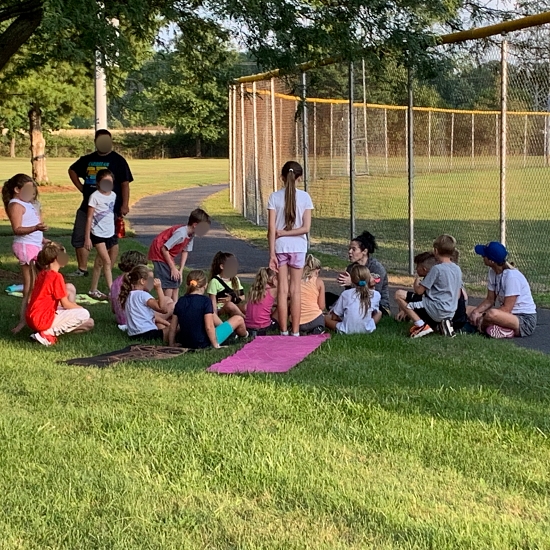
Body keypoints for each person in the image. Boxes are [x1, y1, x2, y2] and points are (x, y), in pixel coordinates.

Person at [68, 129, 133, 277]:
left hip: (110, 208)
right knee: (80, 236)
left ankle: (107, 269)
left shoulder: (118, 161)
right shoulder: (87, 159)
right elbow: (72, 170)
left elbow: (125, 183)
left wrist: (125, 204)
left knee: (111, 239)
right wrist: (82, 188)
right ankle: (82, 269)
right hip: (88, 206)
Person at [268, 161, 314, 336]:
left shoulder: (274, 197)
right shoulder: (305, 197)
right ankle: (295, 331)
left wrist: (272, 253)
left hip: (280, 247)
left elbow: (271, 229)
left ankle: (283, 330)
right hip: (298, 248)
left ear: (282, 177)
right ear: (299, 178)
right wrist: (288, 232)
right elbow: (305, 228)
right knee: (296, 290)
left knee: (282, 289)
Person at [2, 174, 48, 333]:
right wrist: (36, 228)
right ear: (17, 189)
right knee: (30, 286)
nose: (31, 194)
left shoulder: (27, 204)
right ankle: (23, 321)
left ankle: (35, 316)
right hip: (26, 248)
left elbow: (31, 225)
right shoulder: (15, 205)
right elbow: (17, 229)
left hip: (34, 245)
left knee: (38, 284)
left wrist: (43, 239)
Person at [395, 234, 463, 338]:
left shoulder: (437, 269)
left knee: (399, 294)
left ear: (436, 251)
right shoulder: (457, 269)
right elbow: (457, 294)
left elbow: (419, 291)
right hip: (450, 311)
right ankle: (444, 324)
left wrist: (416, 282)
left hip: (436, 309)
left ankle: (421, 326)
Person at [26, 243, 94, 346]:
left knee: (88, 321)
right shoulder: (56, 277)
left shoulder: (43, 274)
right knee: (84, 314)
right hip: (41, 319)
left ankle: (43, 332)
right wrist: (80, 308)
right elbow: (65, 304)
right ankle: (46, 333)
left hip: (33, 318)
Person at [468, 242, 537, 338]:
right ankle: (498, 328)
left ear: (491, 261)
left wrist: (482, 316)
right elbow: (490, 300)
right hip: (506, 315)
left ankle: (493, 327)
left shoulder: (512, 277)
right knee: (468, 310)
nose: (482, 257)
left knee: (491, 314)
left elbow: (507, 309)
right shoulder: (492, 272)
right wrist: (475, 312)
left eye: (484, 255)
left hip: (523, 320)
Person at [168, 270, 248, 349]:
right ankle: (246, 335)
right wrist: (215, 345)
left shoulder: (181, 301)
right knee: (238, 319)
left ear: (187, 285)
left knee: (210, 313)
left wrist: (172, 344)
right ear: (205, 285)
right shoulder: (205, 301)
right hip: (204, 342)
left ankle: (231, 334)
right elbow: (209, 327)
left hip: (186, 342)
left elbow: (173, 327)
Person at [147, 208, 211, 301]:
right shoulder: (181, 233)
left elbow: (185, 251)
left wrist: (180, 270)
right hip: (159, 253)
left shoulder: (191, 235)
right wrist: (173, 268)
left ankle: (175, 304)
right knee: (168, 282)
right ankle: (166, 302)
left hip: (167, 253)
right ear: (195, 225)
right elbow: (164, 248)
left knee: (176, 280)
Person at [325, 230, 390, 315]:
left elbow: (373, 294)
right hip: (357, 301)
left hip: (376, 304)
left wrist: (352, 283)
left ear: (364, 251)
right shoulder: (351, 268)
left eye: (354, 249)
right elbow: (349, 294)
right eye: (349, 249)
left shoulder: (376, 268)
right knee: (326, 296)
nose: (350, 252)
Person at [84, 169, 117, 300]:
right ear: (98, 183)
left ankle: (93, 289)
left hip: (109, 233)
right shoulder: (95, 197)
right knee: (107, 262)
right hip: (97, 234)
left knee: (99, 263)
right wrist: (87, 238)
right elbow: (89, 218)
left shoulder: (113, 195)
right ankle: (113, 291)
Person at [119, 264, 174, 342]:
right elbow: (163, 309)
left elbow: (152, 316)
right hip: (148, 334)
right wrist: (159, 289)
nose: (153, 282)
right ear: (142, 281)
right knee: (178, 327)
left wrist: (167, 324)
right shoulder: (143, 295)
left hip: (134, 335)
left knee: (162, 325)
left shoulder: (130, 295)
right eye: (151, 280)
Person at [325, 265, 381, 334]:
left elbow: (334, 316)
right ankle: (369, 326)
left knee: (326, 318)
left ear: (352, 279)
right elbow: (374, 312)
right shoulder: (376, 294)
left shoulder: (346, 294)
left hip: (346, 330)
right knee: (379, 313)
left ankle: (348, 325)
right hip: (367, 329)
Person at [110, 250, 147, 327]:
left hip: (121, 320)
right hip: (135, 320)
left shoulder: (115, 282)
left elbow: (113, 310)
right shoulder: (135, 283)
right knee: (168, 304)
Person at [207, 251, 246, 319]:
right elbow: (213, 302)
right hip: (220, 308)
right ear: (222, 266)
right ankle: (246, 320)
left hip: (234, 304)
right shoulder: (214, 281)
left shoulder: (235, 279)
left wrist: (233, 298)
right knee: (230, 305)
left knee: (246, 306)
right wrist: (215, 318)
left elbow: (243, 297)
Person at [245, 267, 278, 336]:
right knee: (286, 303)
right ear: (274, 279)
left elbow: (262, 304)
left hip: (248, 326)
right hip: (263, 327)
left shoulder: (254, 290)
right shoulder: (273, 290)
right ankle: (287, 329)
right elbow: (290, 295)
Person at [299, 254, 326, 334]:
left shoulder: (297, 281)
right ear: (317, 271)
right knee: (321, 317)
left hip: (297, 321)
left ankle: (298, 330)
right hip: (314, 319)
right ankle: (318, 328)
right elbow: (321, 306)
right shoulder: (319, 282)